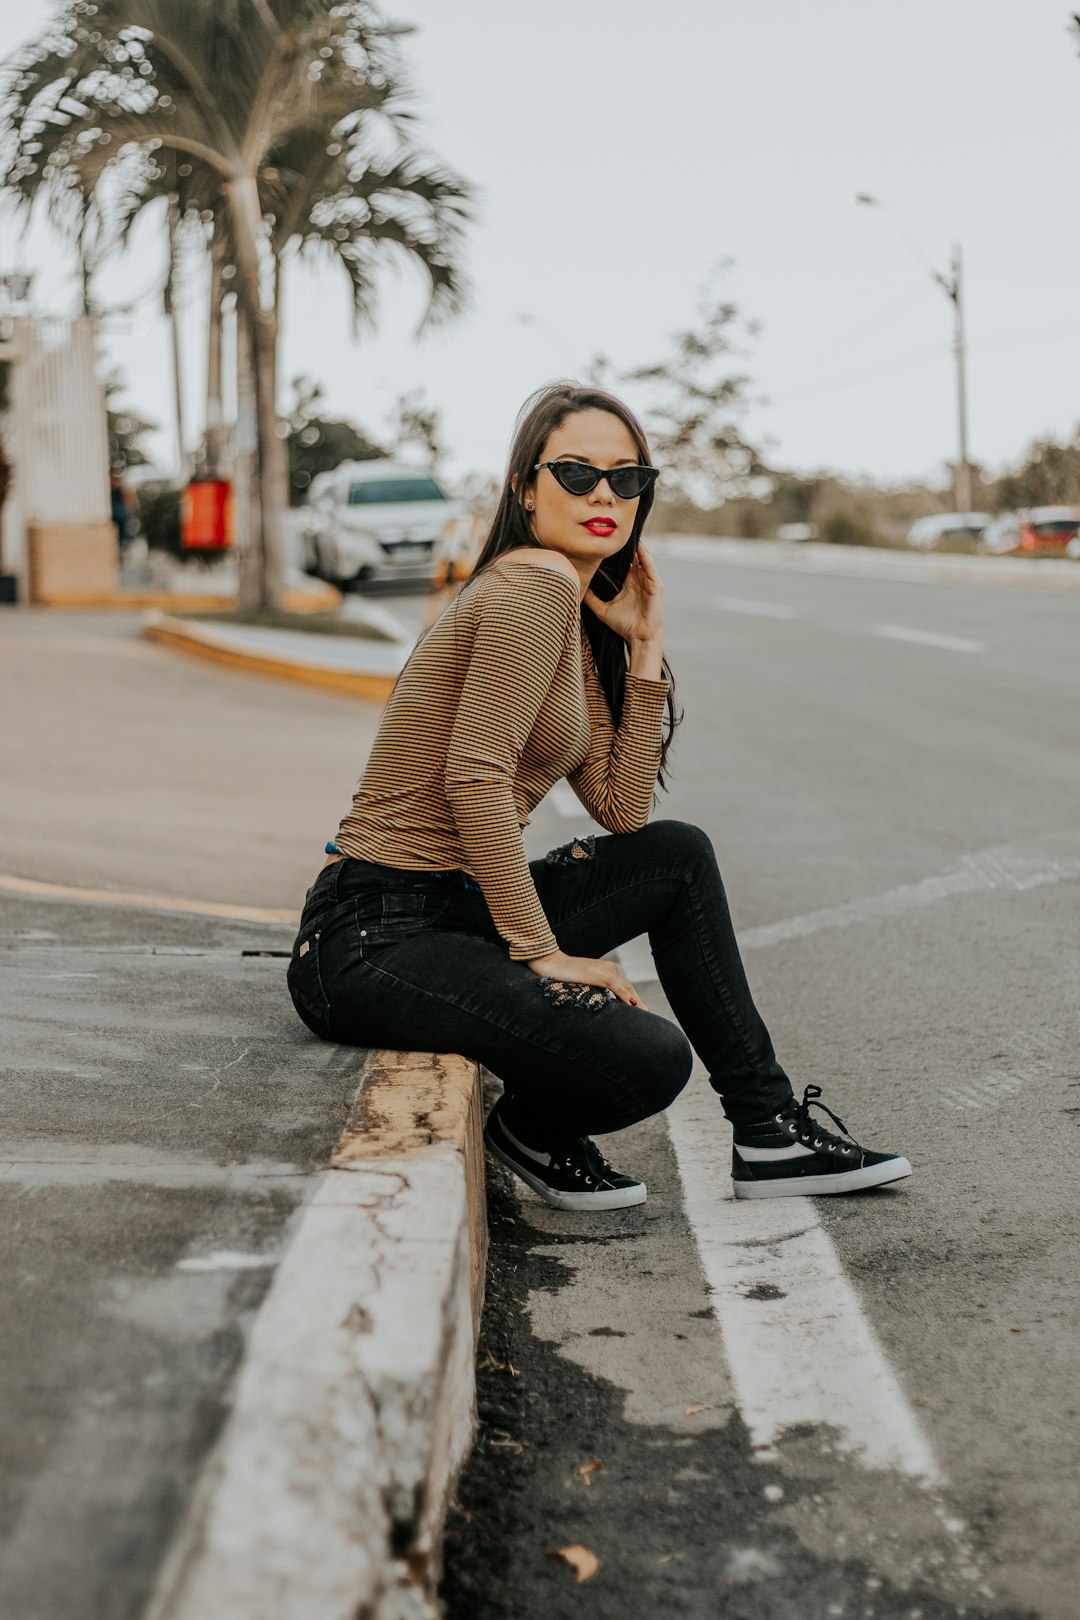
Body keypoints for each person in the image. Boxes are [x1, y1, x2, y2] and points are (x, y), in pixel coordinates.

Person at [288, 382, 911, 1212]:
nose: (605, 496)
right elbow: (471, 777)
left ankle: (767, 1130)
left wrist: (645, 646)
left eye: (628, 478)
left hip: (449, 911)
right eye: (577, 473)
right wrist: (540, 950)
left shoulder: (570, 611)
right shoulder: (533, 583)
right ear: (524, 488)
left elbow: (622, 812)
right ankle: (537, 1129)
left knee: (678, 855)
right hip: (375, 937)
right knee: (648, 1056)